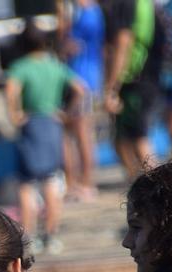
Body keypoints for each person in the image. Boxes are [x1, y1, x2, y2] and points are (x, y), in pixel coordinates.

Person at [4, 22, 85, 251]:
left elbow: (11, 89)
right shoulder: (55, 64)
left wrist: (15, 114)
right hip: (52, 123)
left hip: (32, 124)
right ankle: (50, 234)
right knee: (51, 180)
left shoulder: (20, 67)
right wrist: (66, 112)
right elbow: (80, 88)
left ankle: (27, 237)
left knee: (27, 184)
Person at [104, 0, 159, 180]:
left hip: (133, 80)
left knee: (137, 137)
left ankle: (159, 187)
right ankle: (140, 186)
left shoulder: (126, 4)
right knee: (123, 138)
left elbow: (123, 41)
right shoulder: (145, 3)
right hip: (148, 76)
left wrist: (112, 86)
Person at [57, 0, 103, 201]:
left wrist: (62, 22)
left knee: (83, 131)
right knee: (70, 132)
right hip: (77, 78)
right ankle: (75, 181)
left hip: (83, 79)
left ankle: (86, 182)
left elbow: (69, 46)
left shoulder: (89, 13)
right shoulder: (83, 13)